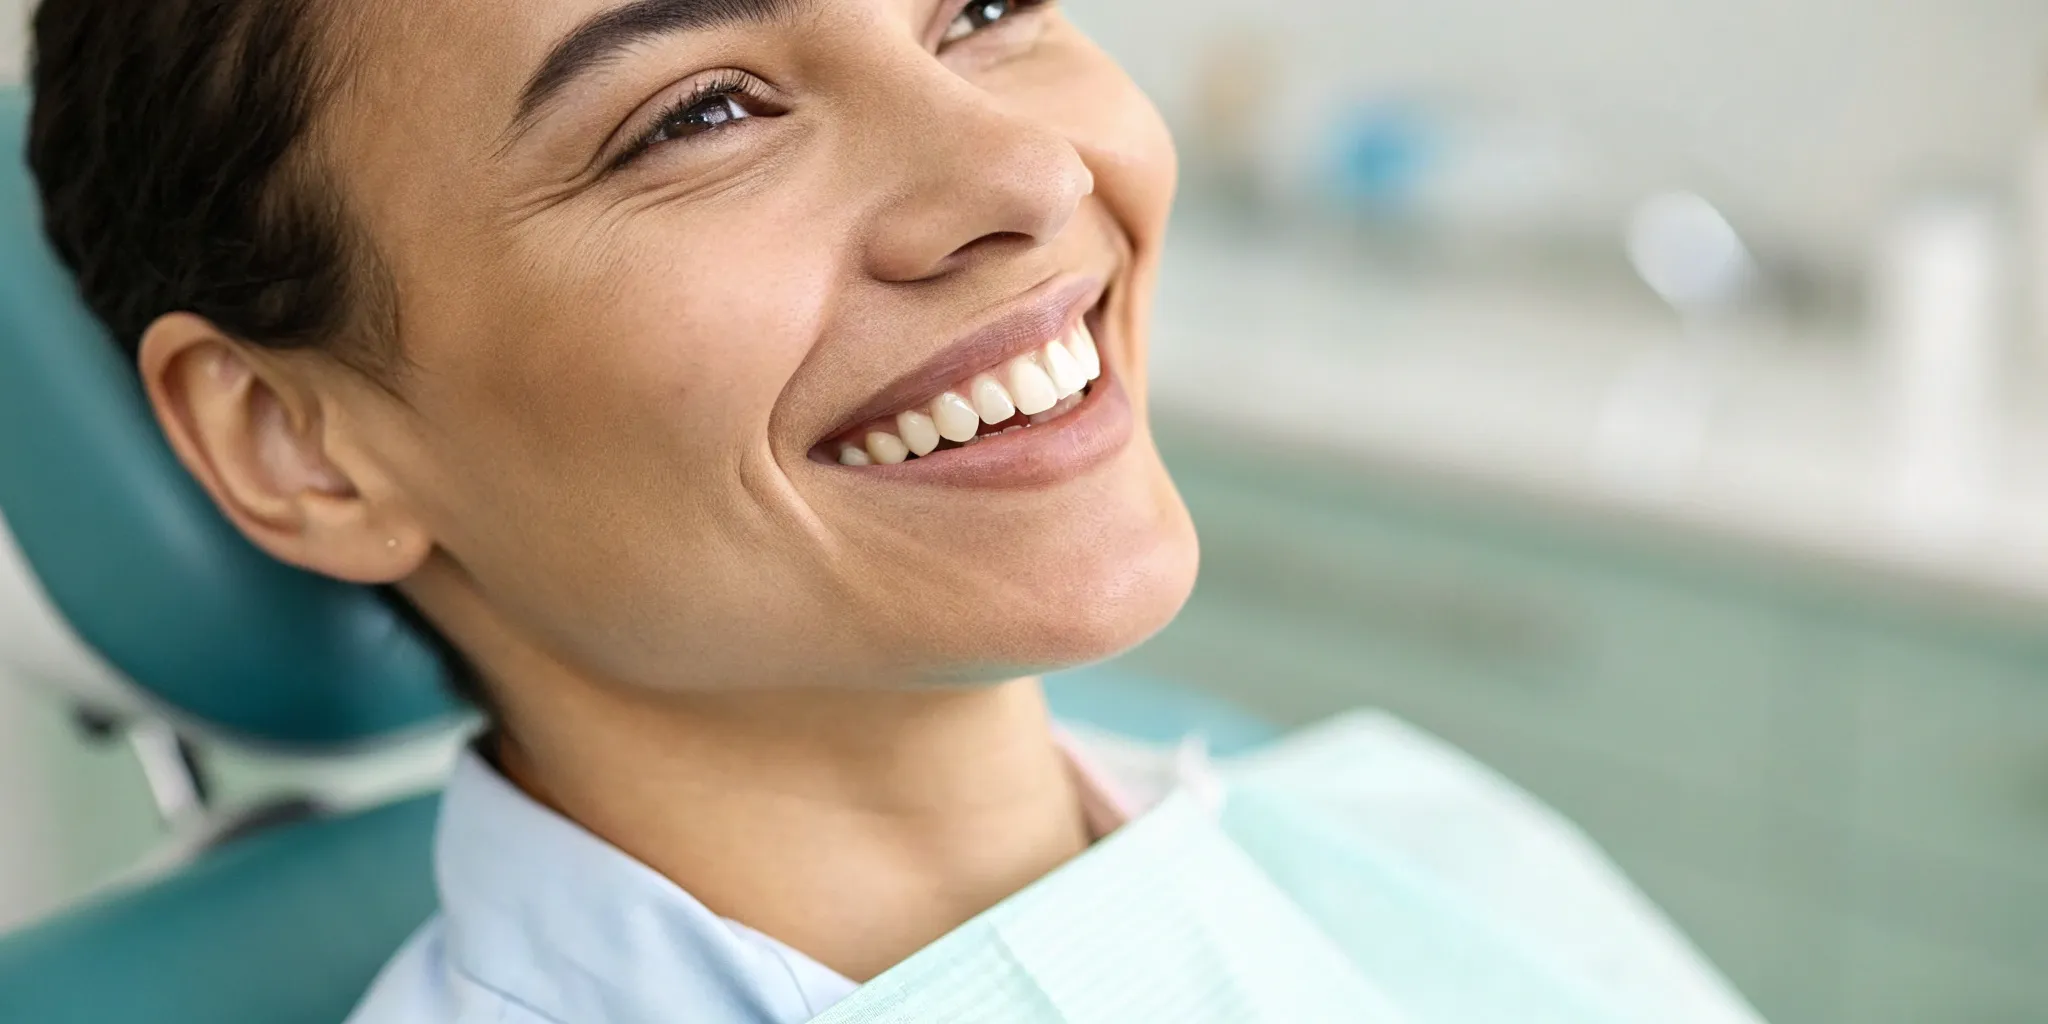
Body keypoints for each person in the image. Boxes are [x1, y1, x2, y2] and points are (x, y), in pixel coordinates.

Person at [25, 1, 1765, 1021]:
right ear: (295, 440)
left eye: (983, 4)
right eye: (702, 113)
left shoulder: (1409, 843)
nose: (1023, 177)